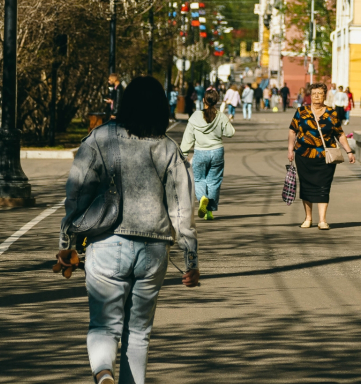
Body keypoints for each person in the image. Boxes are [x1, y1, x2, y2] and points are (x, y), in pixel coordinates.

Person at [56, 76, 199, 384]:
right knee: (138, 333)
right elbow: (182, 207)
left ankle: (103, 372)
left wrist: (67, 242)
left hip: (107, 244)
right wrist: (191, 260)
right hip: (154, 250)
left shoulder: (100, 138)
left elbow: (77, 191)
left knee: (104, 326)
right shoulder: (168, 148)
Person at [288, 82, 356, 229]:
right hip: (304, 155)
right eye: (314, 94)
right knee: (306, 186)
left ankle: (322, 220)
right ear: (310, 96)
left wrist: (349, 151)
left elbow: (339, 134)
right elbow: (293, 130)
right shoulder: (301, 111)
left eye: (320, 93)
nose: (317, 96)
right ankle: (308, 218)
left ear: (325, 95)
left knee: (323, 187)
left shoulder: (332, 113)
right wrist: (290, 149)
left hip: (326, 157)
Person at [181, 87, 235, 220]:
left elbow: (188, 137)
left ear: (204, 100)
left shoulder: (195, 116)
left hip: (200, 152)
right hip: (217, 152)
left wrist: (183, 153)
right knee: (214, 181)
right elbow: (230, 132)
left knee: (199, 179)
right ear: (216, 101)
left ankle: (202, 198)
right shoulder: (220, 116)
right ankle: (209, 212)